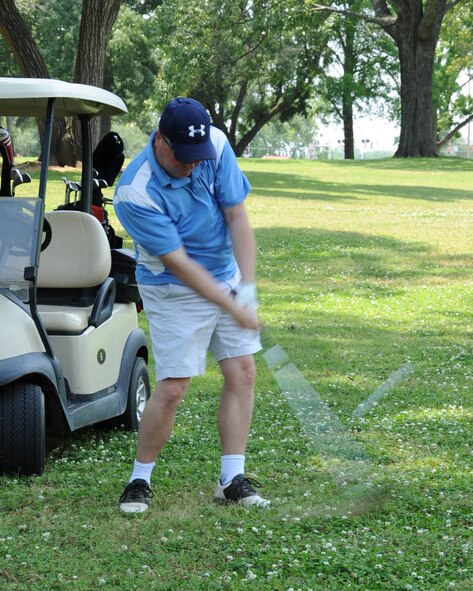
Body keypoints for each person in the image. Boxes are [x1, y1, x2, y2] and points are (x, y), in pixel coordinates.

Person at [114, 97, 270, 513]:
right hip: (173, 287)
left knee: (241, 369)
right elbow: (179, 263)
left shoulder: (214, 146)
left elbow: (237, 217)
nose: (193, 165)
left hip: (225, 273)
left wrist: (247, 290)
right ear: (160, 140)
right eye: (184, 159)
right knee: (173, 387)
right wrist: (231, 304)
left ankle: (231, 479)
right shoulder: (135, 191)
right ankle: (139, 480)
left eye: (197, 158)